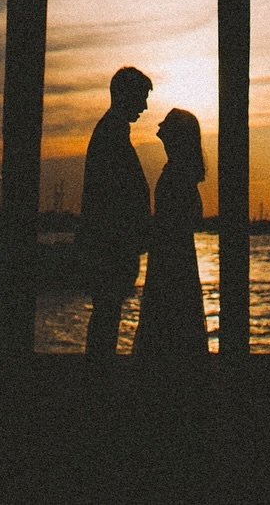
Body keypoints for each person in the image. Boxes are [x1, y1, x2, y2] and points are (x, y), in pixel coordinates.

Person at [77, 65, 152, 359]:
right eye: (141, 98)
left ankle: (100, 369)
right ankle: (99, 375)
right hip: (109, 246)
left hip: (111, 244)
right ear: (126, 95)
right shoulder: (111, 134)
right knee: (107, 313)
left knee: (107, 313)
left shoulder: (112, 132)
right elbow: (113, 195)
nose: (145, 106)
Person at [133, 107, 208, 359]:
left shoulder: (177, 173)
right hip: (175, 254)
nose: (160, 132)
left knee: (167, 312)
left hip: (170, 257)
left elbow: (175, 219)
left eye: (167, 129)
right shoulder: (180, 171)